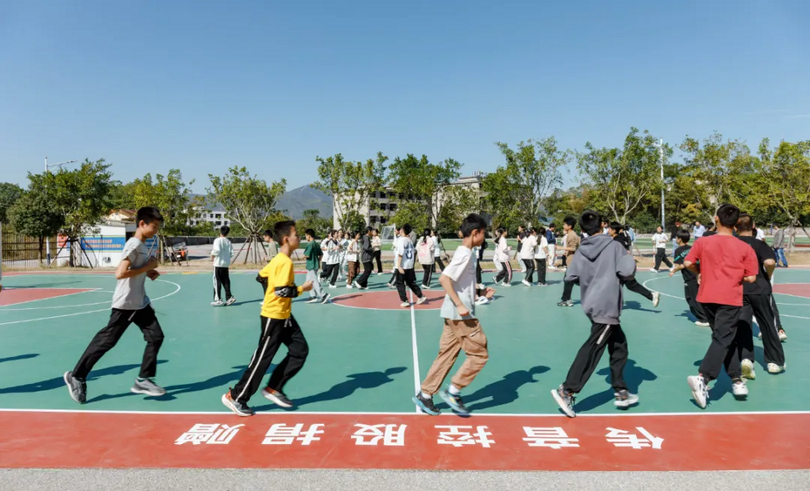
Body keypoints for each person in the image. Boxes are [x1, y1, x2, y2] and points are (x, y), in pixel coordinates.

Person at [64, 207, 167, 403]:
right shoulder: (134, 244)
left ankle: (143, 380)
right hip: (127, 304)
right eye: (154, 226)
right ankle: (77, 376)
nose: (156, 230)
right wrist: (147, 267)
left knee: (156, 337)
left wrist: (146, 272)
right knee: (106, 340)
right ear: (142, 224)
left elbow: (134, 269)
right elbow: (119, 273)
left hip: (140, 303)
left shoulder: (142, 244)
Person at [550, 210, 638, 418]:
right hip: (606, 305)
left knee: (619, 346)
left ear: (582, 230)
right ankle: (567, 389)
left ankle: (620, 390)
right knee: (593, 348)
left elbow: (571, 275)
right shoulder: (615, 246)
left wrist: (591, 283)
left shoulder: (581, 250)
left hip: (591, 303)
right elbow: (626, 272)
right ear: (603, 226)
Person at [222, 220, 314, 416]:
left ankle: (274, 388)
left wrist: (268, 294)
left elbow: (261, 276)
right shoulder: (284, 261)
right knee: (263, 359)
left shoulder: (277, 261)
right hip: (274, 317)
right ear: (287, 239)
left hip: (285, 315)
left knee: (300, 350)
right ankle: (236, 397)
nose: (299, 237)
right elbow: (281, 290)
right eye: (296, 234)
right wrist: (302, 289)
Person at [412, 213, 494, 415]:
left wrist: (479, 292)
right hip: (460, 316)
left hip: (451, 313)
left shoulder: (466, 252)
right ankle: (453, 391)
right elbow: (445, 279)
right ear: (475, 233)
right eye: (484, 233)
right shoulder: (465, 253)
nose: (485, 237)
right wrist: (460, 304)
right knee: (479, 355)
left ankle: (426, 394)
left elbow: (459, 283)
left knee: (447, 354)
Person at [683, 204, 758, 409]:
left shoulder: (703, 242)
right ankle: (704, 377)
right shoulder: (745, 247)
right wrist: (736, 276)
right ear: (736, 224)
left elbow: (688, 263)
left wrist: (700, 272)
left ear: (716, 219)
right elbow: (751, 277)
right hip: (729, 298)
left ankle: (735, 378)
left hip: (706, 297)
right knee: (723, 338)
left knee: (723, 337)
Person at [735, 214, 786, 376]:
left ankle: (746, 359)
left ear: (735, 228)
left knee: (743, 324)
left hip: (739, 289)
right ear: (753, 226)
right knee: (767, 324)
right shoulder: (759, 244)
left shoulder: (732, 245)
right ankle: (774, 362)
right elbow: (770, 262)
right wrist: (768, 275)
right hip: (759, 288)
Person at [609, 222, 659, 307]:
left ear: (614, 230)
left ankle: (652, 295)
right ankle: (616, 305)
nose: (608, 230)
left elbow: (622, 252)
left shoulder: (617, 241)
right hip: (622, 266)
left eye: (610, 229)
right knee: (619, 285)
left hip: (622, 267)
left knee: (631, 285)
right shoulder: (621, 238)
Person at [669, 230, 709, 326]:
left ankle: (704, 319)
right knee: (699, 296)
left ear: (679, 239)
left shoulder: (678, 250)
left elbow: (681, 265)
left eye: (676, 238)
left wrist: (674, 270)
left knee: (691, 298)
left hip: (690, 277)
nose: (675, 240)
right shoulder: (692, 248)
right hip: (698, 274)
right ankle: (707, 316)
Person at [395, 224, 428, 307]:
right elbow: (413, 251)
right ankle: (420, 296)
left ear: (402, 230)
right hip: (409, 265)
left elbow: (400, 254)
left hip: (402, 265)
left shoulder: (402, 240)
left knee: (399, 283)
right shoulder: (409, 240)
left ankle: (404, 300)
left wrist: (399, 266)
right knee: (410, 282)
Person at [557, 216, 581, 307]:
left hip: (572, 262)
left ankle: (566, 300)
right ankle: (566, 299)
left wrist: (561, 248)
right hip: (571, 261)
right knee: (570, 280)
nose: (563, 226)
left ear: (569, 226)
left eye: (564, 224)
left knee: (568, 280)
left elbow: (573, 248)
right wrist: (566, 252)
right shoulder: (571, 234)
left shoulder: (571, 235)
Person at [302, 229, 330, 304]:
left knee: (314, 281)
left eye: (306, 236)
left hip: (311, 266)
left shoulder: (309, 244)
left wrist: (303, 256)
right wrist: (317, 261)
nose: (305, 237)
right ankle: (313, 296)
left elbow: (307, 255)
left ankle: (324, 295)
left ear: (309, 235)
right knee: (309, 281)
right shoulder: (316, 244)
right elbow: (321, 254)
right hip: (315, 265)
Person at [211, 225, 236, 306]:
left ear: (220, 232)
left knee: (216, 281)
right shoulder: (228, 242)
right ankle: (229, 297)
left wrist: (212, 255)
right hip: (225, 264)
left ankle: (218, 299)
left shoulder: (217, 240)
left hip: (218, 263)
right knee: (226, 281)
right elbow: (232, 253)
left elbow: (217, 250)